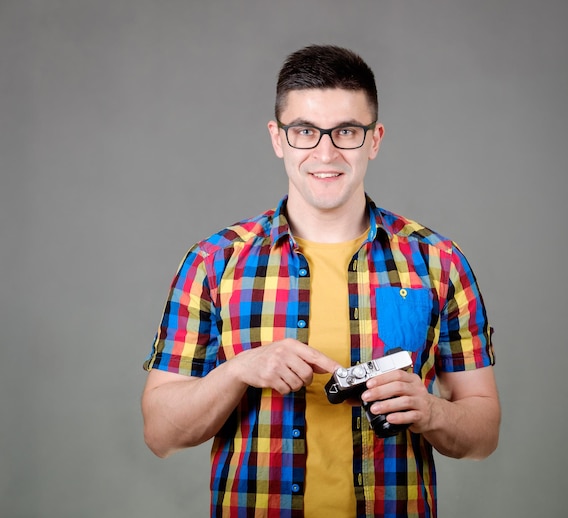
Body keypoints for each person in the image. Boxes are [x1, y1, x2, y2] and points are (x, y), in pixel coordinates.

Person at [141, 44, 500, 518]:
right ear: (277, 138)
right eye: (305, 131)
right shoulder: (214, 263)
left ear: (375, 139)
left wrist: (431, 411)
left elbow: (484, 430)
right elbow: (161, 433)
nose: (325, 152)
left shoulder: (437, 262)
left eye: (346, 131)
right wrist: (236, 372)